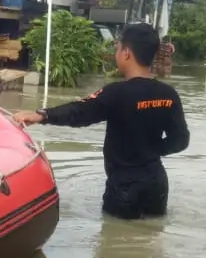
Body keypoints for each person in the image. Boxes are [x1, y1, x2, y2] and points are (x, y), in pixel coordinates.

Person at [12, 23, 189, 220]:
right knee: (150, 238)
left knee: (115, 242)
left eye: (118, 48)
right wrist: (151, 149)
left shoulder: (116, 93)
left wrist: (42, 115)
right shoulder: (169, 94)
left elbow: (80, 112)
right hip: (157, 185)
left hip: (124, 188)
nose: (117, 54)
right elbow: (180, 141)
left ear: (126, 53)